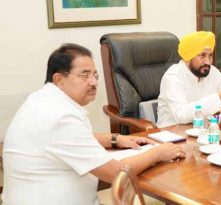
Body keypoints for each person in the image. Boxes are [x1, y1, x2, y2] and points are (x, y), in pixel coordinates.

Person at [2, 43, 185, 205]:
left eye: (95, 75)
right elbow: (115, 173)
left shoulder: (43, 100)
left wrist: (114, 138)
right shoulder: (59, 116)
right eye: (84, 75)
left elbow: (70, 139)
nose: (93, 82)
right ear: (58, 79)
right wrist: (158, 153)